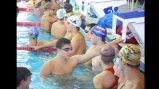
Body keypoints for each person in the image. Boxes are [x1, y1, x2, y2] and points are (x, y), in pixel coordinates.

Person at [40, 38, 104, 79]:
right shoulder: (49, 65)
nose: (70, 52)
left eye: (71, 49)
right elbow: (43, 82)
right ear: (58, 50)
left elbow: (94, 52)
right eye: (66, 49)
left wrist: (113, 42)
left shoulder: (74, 60)